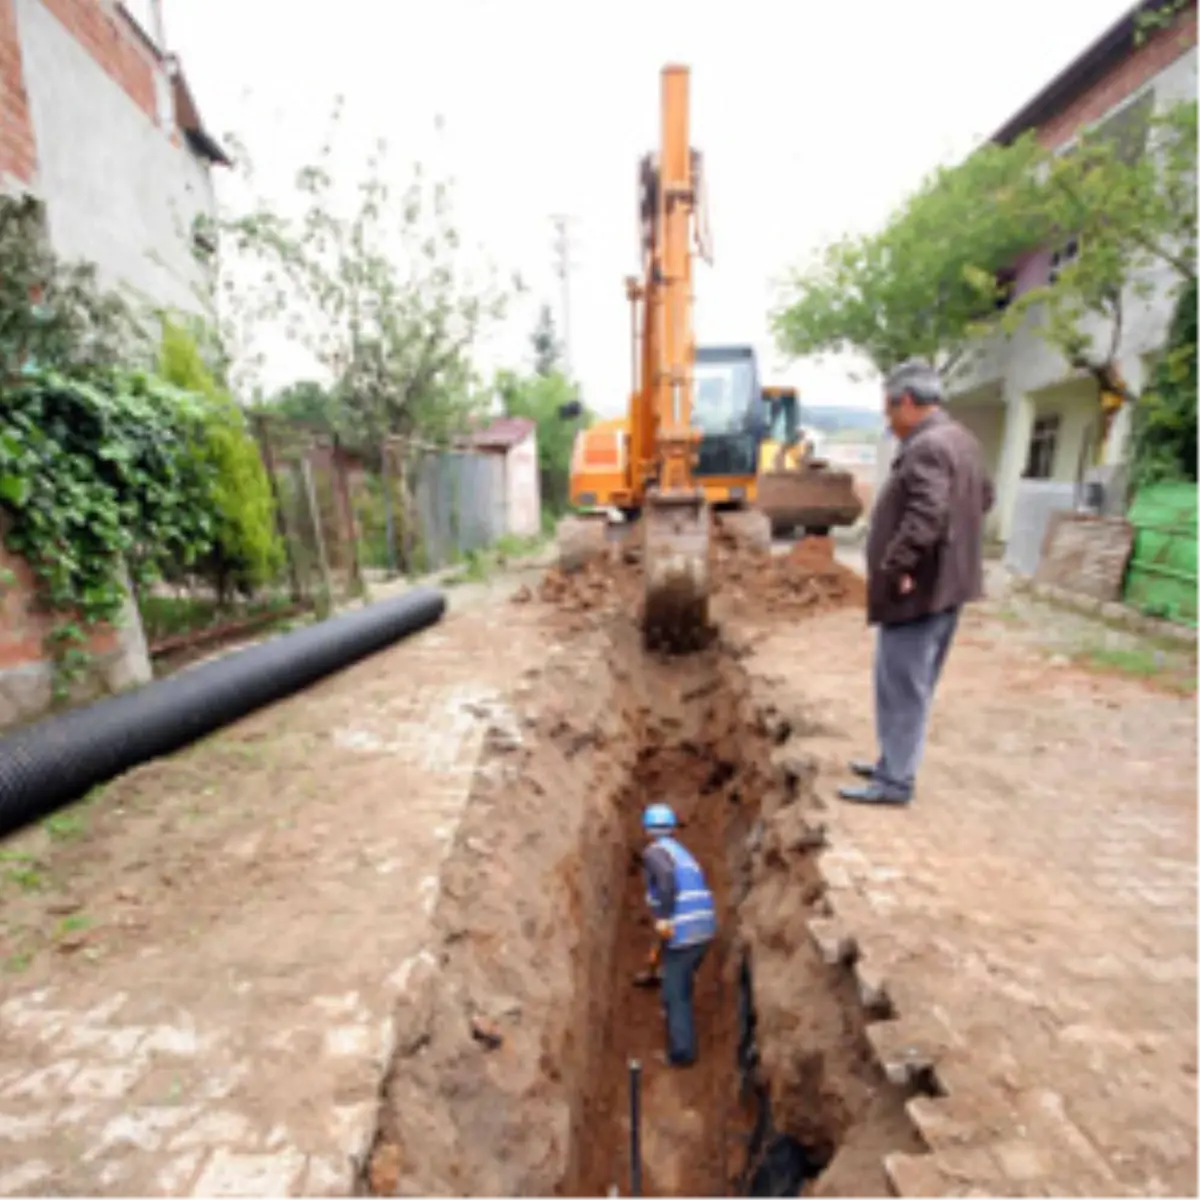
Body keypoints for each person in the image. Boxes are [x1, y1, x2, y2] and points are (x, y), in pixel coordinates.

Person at [839, 358, 994, 807]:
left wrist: (900, 567)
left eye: (889, 410)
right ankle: (893, 762)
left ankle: (894, 781)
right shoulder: (961, 440)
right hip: (948, 587)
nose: (888, 419)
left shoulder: (927, 447)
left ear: (906, 401)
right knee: (913, 682)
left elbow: (928, 511)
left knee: (902, 685)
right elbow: (984, 497)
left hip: (920, 591)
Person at [641, 803, 716, 1066]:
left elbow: (665, 880)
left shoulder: (654, 853)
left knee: (675, 993)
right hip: (703, 928)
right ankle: (677, 998)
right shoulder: (682, 853)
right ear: (673, 828)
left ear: (647, 830)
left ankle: (682, 1054)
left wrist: (663, 917)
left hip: (683, 930)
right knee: (680, 977)